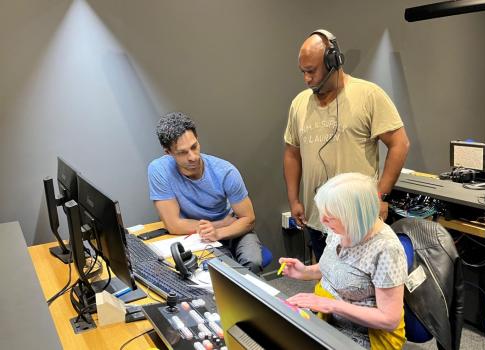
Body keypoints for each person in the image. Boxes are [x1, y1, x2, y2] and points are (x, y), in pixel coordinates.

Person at [283, 29, 410, 261]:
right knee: (326, 282)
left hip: (358, 221)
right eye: (303, 72)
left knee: (361, 289)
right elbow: (292, 153)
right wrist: (294, 200)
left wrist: (381, 196)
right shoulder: (299, 104)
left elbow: (400, 144)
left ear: (333, 61)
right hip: (317, 220)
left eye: (311, 71)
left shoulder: (369, 95)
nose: (306, 79)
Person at [279, 173, 408, 349]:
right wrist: (305, 272)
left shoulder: (387, 250)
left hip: (366, 333)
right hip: (329, 316)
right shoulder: (339, 229)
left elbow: (389, 320)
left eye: (330, 215)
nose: (323, 220)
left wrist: (331, 305)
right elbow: (336, 268)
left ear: (355, 216)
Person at [148, 112, 263, 273]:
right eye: (182, 152)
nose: (193, 157)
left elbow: (248, 219)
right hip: (199, 235)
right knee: (222, 271)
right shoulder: (159, 170)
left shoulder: (225, 171)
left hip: (234, 228)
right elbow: (173, 225)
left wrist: (219, 231)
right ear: (168, 153)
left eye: (194, 147)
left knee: (254, 262)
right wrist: (219, 225)